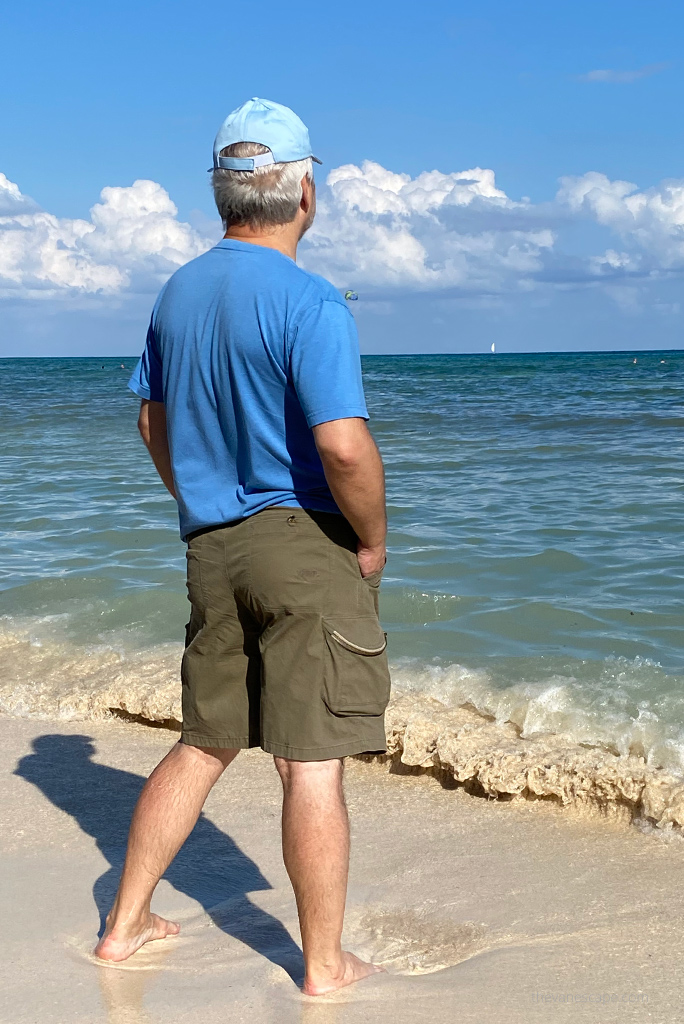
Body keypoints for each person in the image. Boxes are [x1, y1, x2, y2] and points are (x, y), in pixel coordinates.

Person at [95, 97, 391, 997]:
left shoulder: (177, 291)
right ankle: (323, 965)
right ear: (306, 190)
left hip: (212, 543)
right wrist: (372, 540)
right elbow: (342, 446)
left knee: (204, 740)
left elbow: (151, 418)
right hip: (302, 544)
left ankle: (123, 926)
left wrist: (193, 494)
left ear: (223, 194)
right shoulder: (312, 301)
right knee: (311, 761)